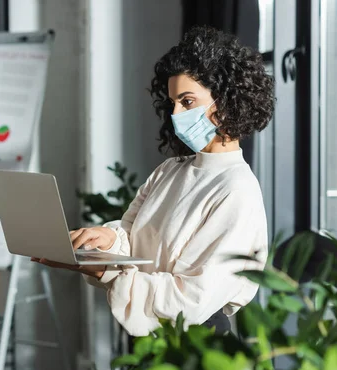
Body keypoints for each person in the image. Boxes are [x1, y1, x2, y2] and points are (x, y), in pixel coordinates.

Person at [34, 26, 274, 336]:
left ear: (226, 102)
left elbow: (192, 299)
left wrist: (106, 269)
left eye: (187, 102)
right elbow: (132, 238)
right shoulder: (169, 171)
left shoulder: (236, 190)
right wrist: (106, 240)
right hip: (152, 341)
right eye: (173, 102)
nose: (175, 113)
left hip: (197, 346)